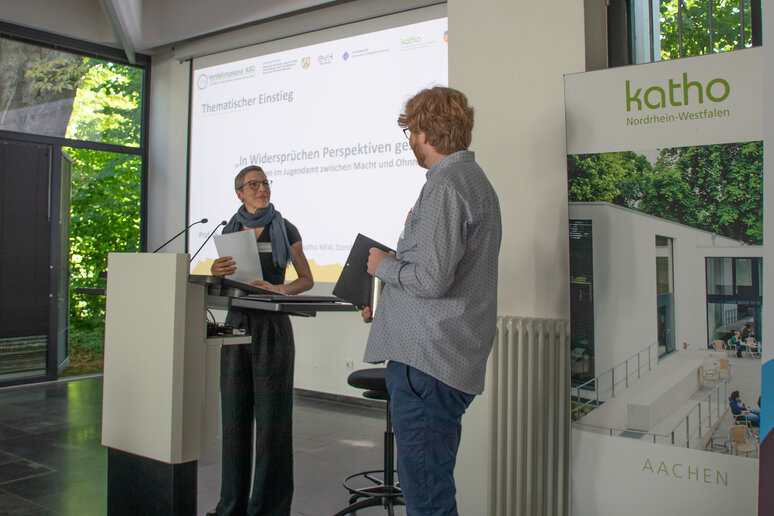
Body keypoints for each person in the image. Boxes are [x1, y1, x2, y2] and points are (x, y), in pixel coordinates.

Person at [361, 87, 502, 515]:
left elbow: (430, 279)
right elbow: (439, 272)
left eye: (410, 132)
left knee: (426, 496)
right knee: (431, 486)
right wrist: (387, 297)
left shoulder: (445, 186)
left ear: (425, 132)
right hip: (442, 361)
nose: (409, 142)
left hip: (426, 365)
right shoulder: (472, 181)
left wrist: (383, 266)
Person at [208, 165, 314, 516]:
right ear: (239, 193)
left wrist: (279, 288)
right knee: (234, 420)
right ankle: (231, 506)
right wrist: (215, 272)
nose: (262, 189)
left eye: (265, 182)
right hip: (236, 325)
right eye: (253, 184)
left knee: (272, 424)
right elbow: (225, 278)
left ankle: (268, 509)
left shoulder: (285, 227)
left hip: (272, 327)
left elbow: (306, 279)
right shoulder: (230, 229)